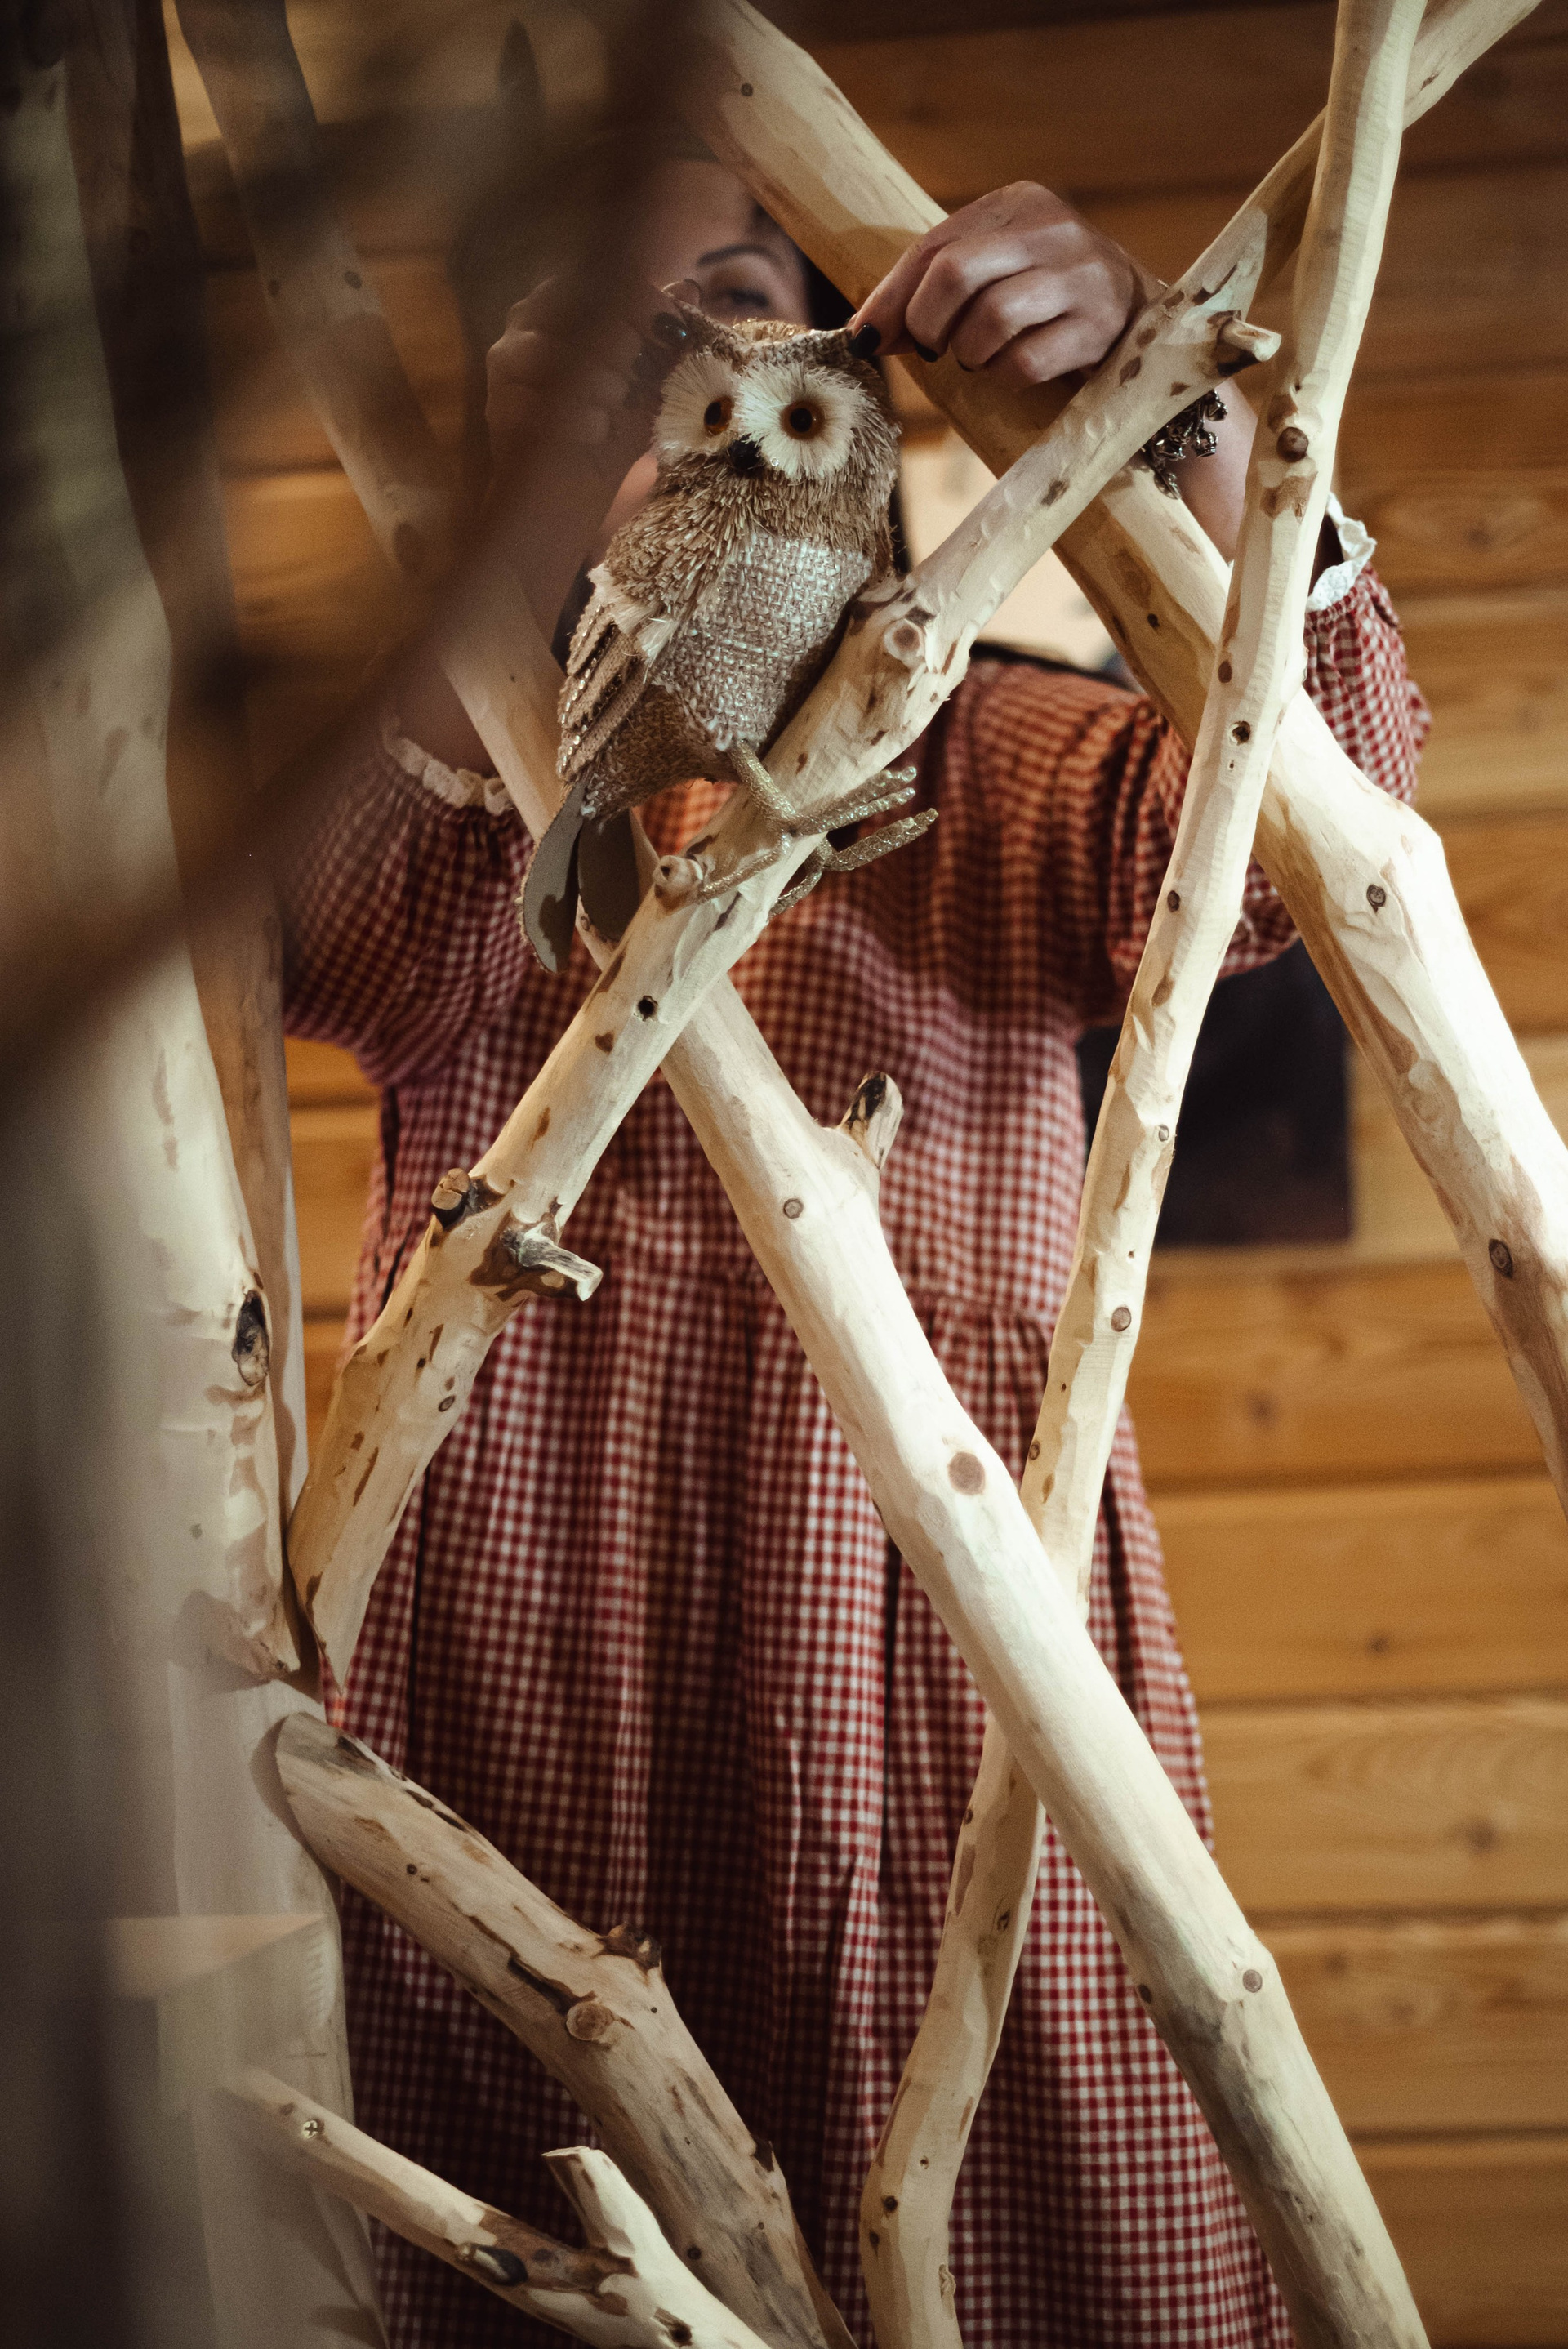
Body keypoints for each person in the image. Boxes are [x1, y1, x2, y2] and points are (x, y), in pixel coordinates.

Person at [284, 161, 1426, 2349]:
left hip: (946, 1693)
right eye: (613, 333)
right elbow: (301, 911)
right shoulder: (493, 809)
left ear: (853, 392)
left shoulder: (1001, 769)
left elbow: (1318, 830)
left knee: (1038, 2242)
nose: (683, 367)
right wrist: (506, 542)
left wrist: (1183, 412)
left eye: (730, 305)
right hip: (535, 1704)